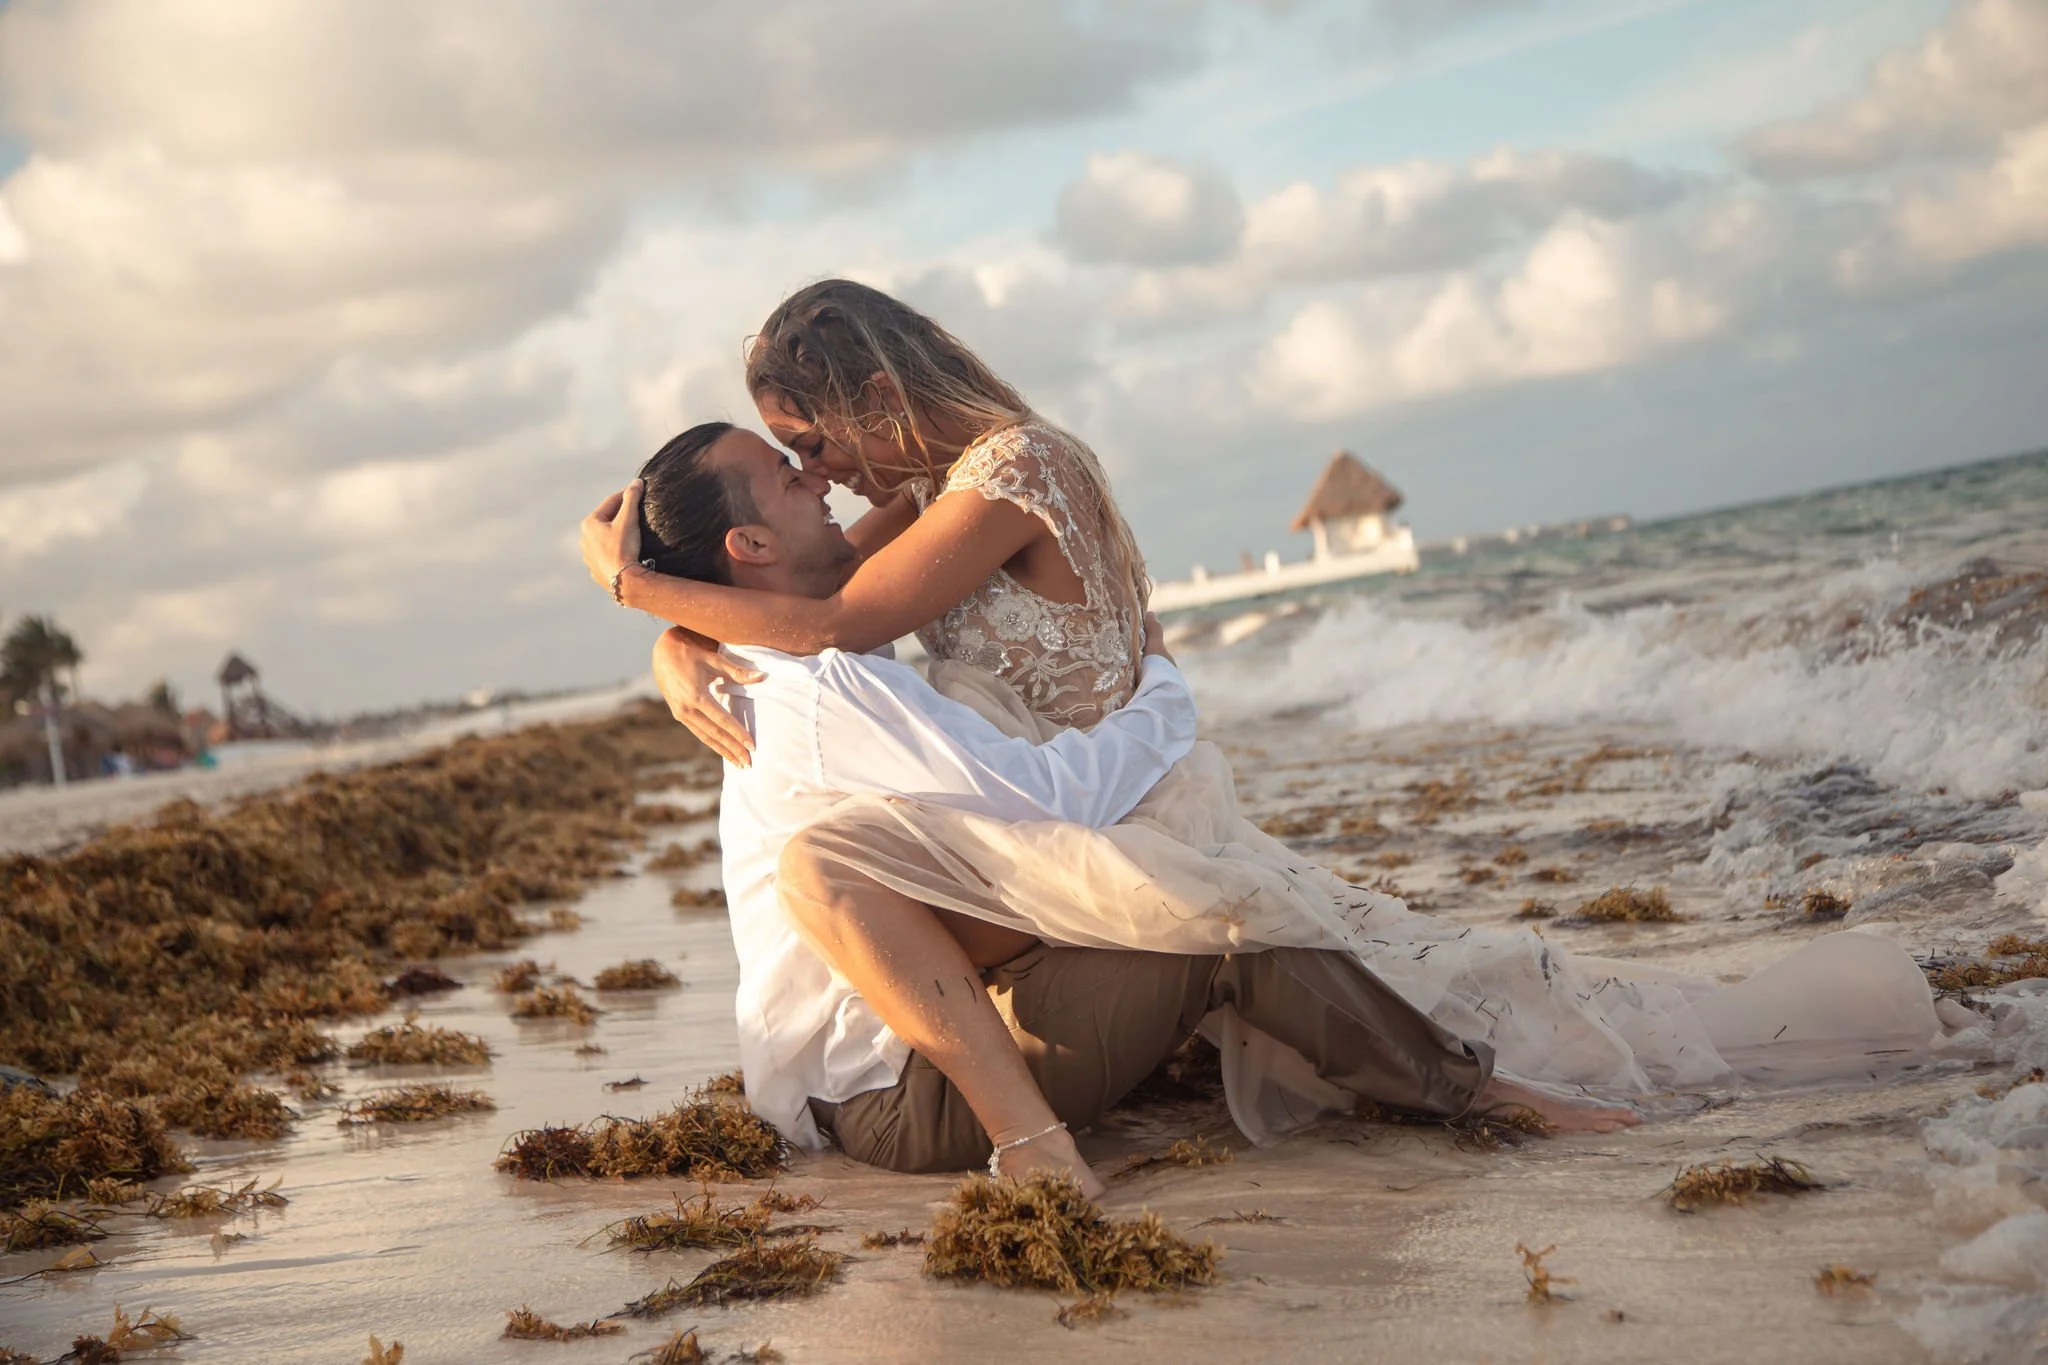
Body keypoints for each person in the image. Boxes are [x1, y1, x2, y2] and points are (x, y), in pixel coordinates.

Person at [632, 421, 1600, 1196]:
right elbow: (1056, 799)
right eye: (787, 475)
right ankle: (1473, 1092)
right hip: (899, 1095)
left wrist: (645, 601)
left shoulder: (774, 656)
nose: (820, 480)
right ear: (748, 545)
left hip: (917, 1039)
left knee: (1174, 901)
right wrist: (1161, 694)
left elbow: (916, 497)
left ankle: (1408, 1064)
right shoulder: (813, 693)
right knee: (1216, 928)